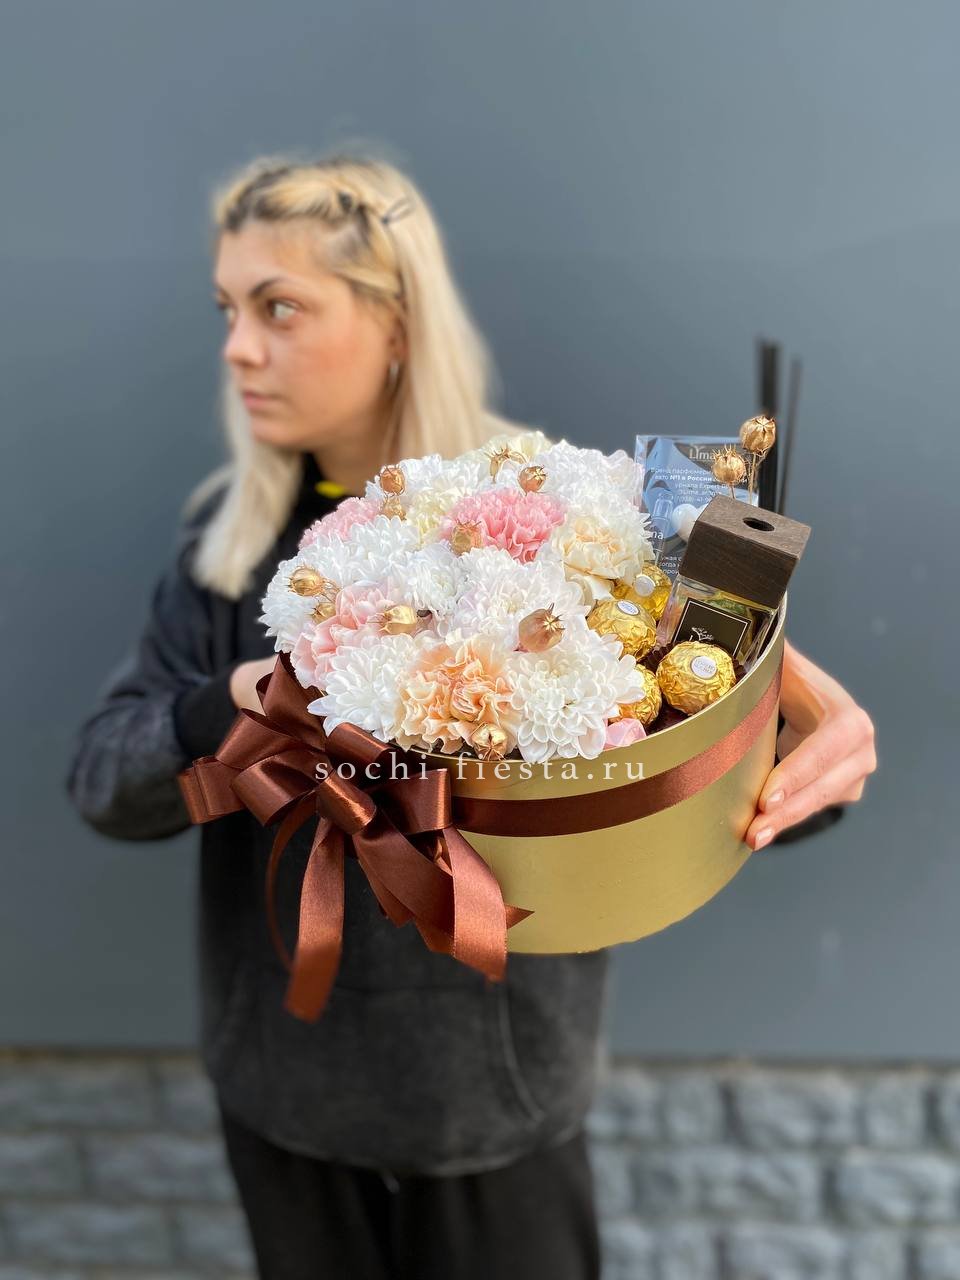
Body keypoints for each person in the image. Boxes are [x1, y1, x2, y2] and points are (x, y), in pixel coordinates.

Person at [64, 150, 876, 1280]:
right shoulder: (228, 553)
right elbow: (103, 781)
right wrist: (228, 703)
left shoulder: (567, 527)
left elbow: (694, 737)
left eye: (278, 307)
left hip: (499, 1104)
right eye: (228, 310)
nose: (238, 347)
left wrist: (800, 740)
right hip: (285, 1092)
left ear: (396, 323)